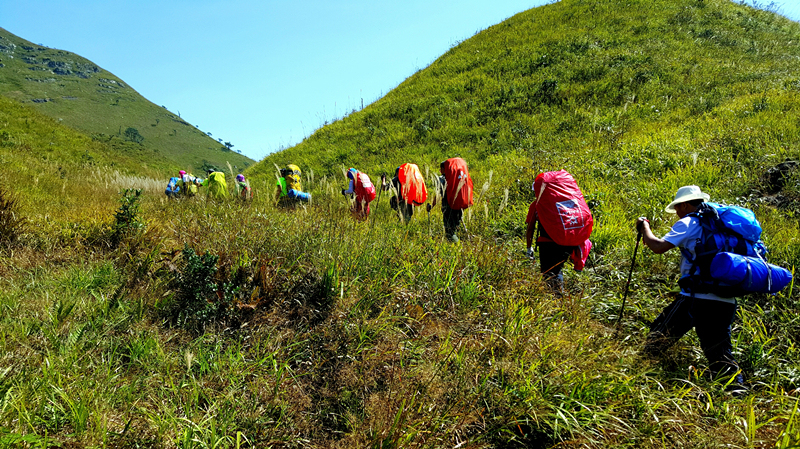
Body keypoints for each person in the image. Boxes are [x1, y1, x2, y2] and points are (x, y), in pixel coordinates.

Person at [637, 185, 746, 394]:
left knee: (659, 335)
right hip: (726, 299)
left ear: (685, 204)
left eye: (678, 208)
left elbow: (658, 247)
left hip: (695, 298)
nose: (677, 212)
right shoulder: (726, 228)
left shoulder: (688, 222)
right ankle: (737, 392)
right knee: (719, 352)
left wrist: (645, 228)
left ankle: (636, 375)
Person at [525, 170, 593, 294]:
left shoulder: (537, 205)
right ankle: (559, 298)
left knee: (551, 275)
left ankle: (557, 303)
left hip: (548, 244)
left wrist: (529, 248)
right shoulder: (569, 202)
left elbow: (530, 229)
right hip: (570, 241)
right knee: (558, 270)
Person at [430, 157, 473, 242]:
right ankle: (459, 243)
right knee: (456, 226)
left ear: (443, 169)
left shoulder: (443, 179)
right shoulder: (459, 177)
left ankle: (456, 248)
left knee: (450, 231)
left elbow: (438, 195)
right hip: (460, 205)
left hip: (448, 207)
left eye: (441, 168)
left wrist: (431, 206)